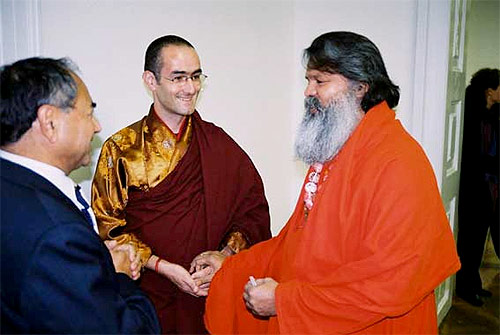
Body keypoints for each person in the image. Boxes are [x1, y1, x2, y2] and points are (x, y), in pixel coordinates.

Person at [201, 31, 461, 334]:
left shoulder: (398, 162)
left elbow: (388, 282)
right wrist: (230, 266)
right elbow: (295, 245)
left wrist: (284, 301)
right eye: (308, 80)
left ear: (360, 87)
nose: (308, 91)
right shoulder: (336, 148)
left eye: (320, 81)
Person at [91, 35, 271, 334]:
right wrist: (163, 267)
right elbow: (107, 228)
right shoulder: (122, 149)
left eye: (196, 76)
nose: (191, 88)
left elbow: (252, 212)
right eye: (178, 78)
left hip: (209, 294)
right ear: (151, 80)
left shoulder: (217, 144)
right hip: (148, 294)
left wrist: (224, 256)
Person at [0, 57, 160, 334]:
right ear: (49, 122)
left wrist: (92, 263)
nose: (96, 126)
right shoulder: (57, 233)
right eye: (89, 112)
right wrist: (118, 276)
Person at [456, 68, 499, 307]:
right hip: (474, 189)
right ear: (490, 91)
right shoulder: (471, 115)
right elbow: (473, 156)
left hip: (490, 188)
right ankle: (464, 287)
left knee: (480, 240)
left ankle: (474, 283)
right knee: (469, 241)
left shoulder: (493, 114)